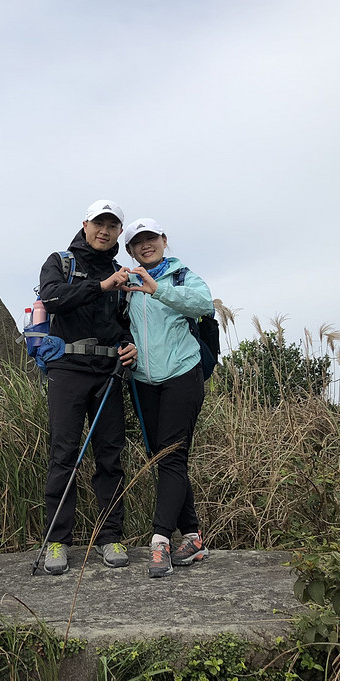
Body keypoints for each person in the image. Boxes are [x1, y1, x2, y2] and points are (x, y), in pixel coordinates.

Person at [37, 200, 138, 575]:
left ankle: (111, 535)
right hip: (67, 369)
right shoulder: (61, 262)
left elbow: (120, 321)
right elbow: (52, 299)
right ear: (85, 224)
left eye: (112, 225)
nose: (105, 230)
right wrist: (100, 285)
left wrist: (129, 344)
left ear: (117, 232)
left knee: (110, 456)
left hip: (109, 372)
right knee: (64, 455)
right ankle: (57, 541)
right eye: (100, 223)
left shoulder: (119, 272)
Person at [123, 217, 214, 578]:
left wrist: (157, 289)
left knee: (172, 456)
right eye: (137, 242)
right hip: (144, 381)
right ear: (130, 249)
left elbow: (204, 303)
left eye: (151, 239)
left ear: (163, 240)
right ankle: (192, 537)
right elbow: (118, 324)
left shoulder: (180, 275)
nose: (146, 246)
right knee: (162, 458)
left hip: (182, 375)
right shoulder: (126, 282)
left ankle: (160, 541)